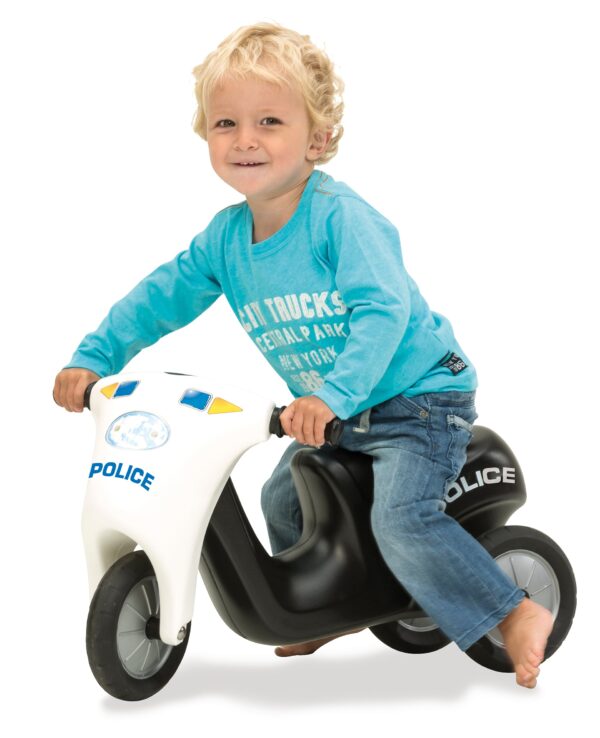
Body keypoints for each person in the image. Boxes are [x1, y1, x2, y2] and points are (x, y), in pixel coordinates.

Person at [53, 22, 554, 688]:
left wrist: (330, 397)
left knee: (402, 520)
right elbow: (159, 297)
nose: (246, 139)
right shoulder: (225, 240)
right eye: (226, 123)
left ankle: (509, 609)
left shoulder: (340, 220)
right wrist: (95, 357)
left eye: (269, 121)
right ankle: (328, 607)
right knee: (283, 499)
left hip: (416, 402)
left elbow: (383, 312)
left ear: (317, 139)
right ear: (206, 136)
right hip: (339, 412)